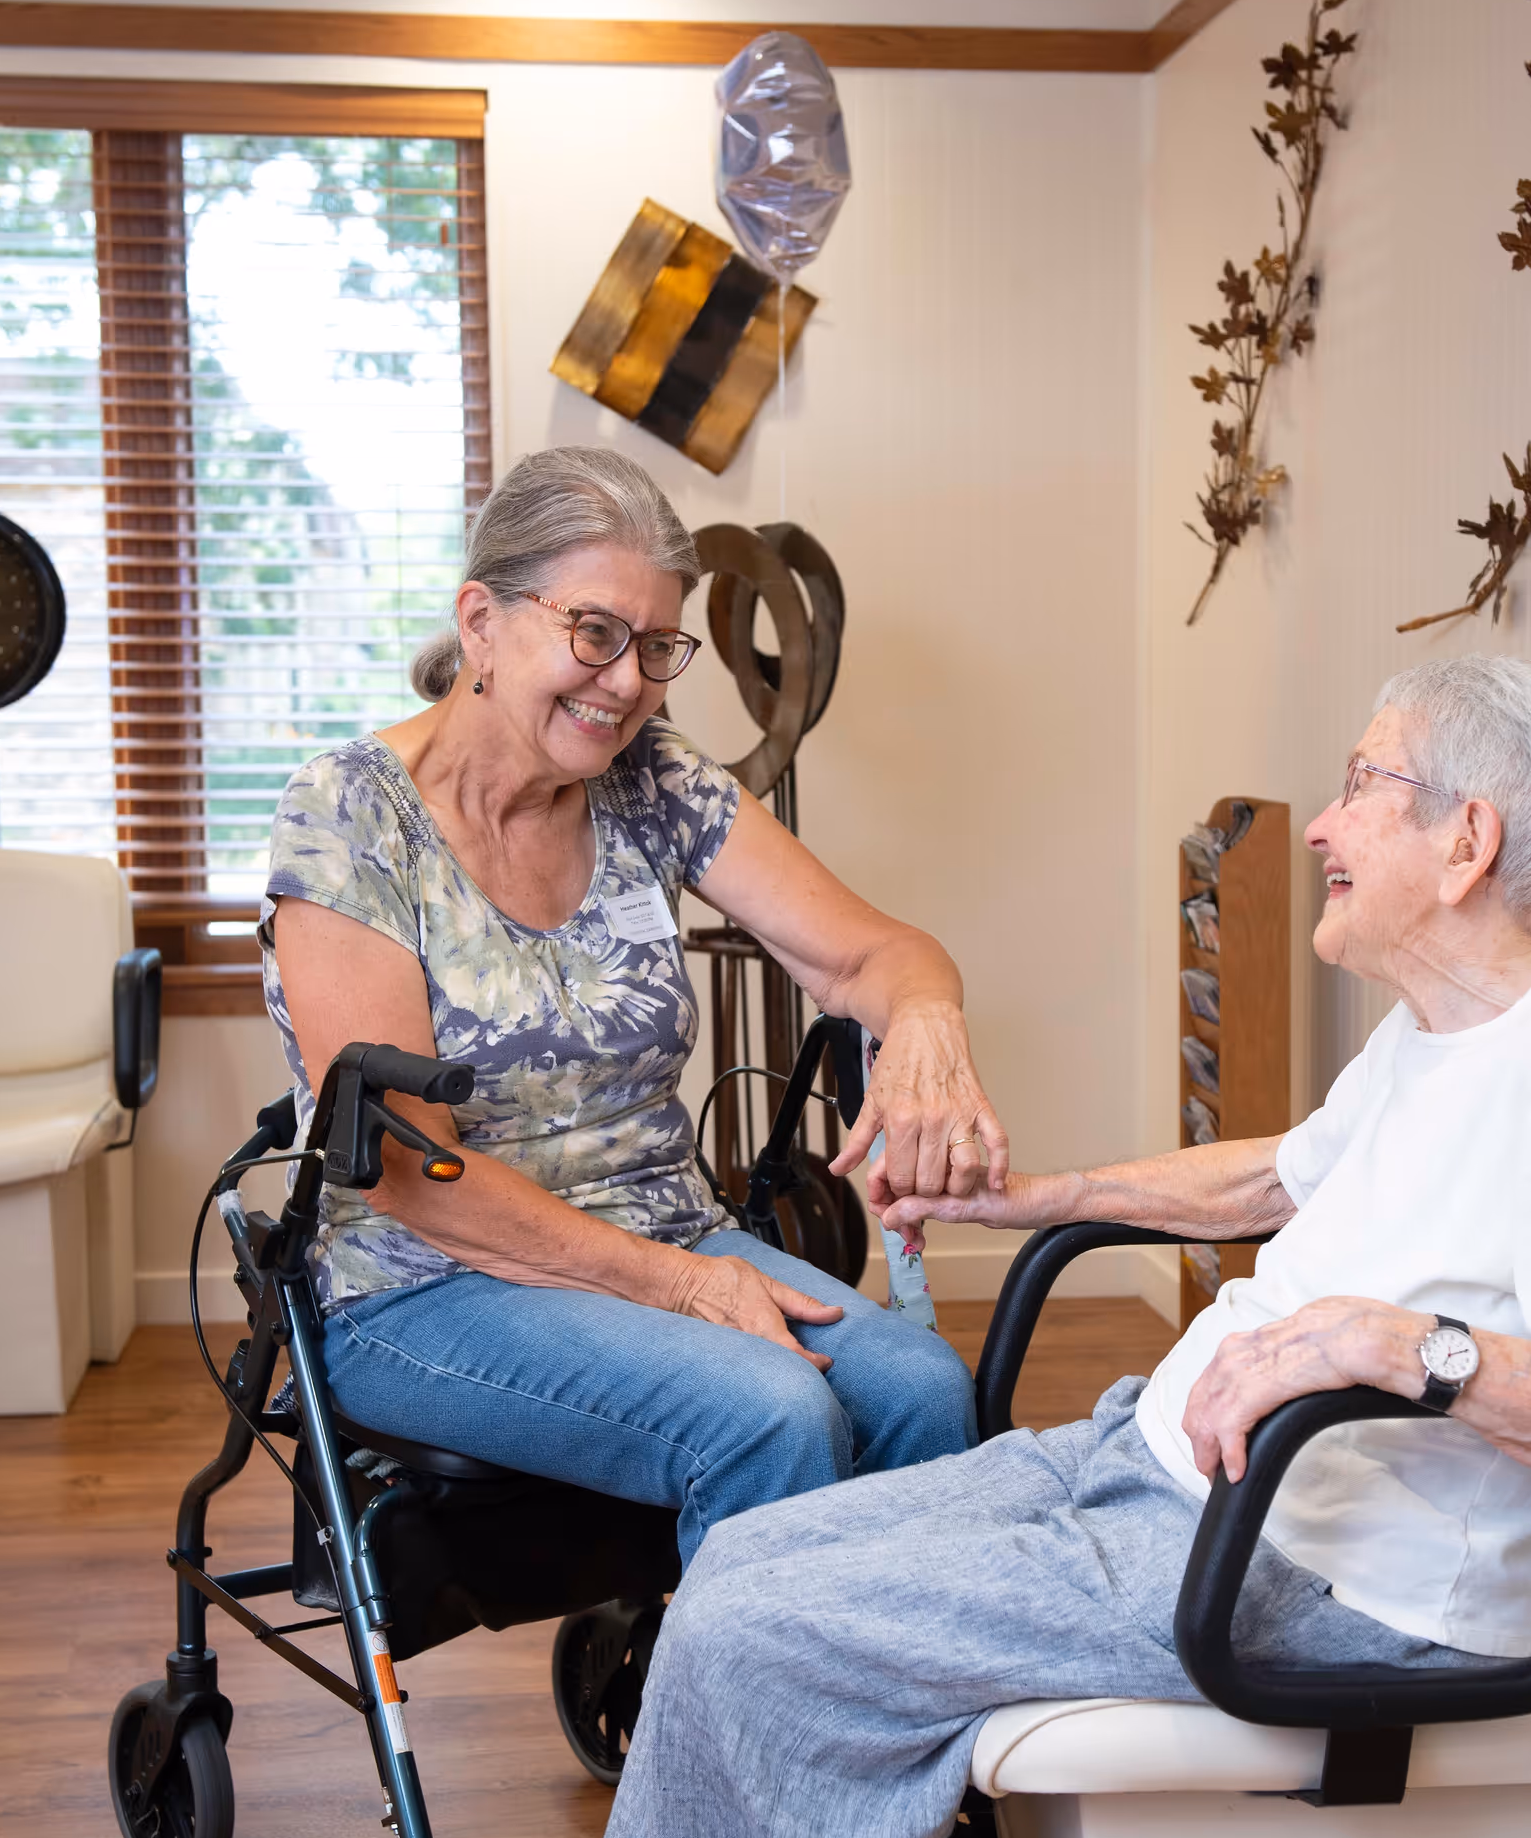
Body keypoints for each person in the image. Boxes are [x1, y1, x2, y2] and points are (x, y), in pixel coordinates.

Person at [338, 657, 1531, 1838]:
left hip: (1314, 1582)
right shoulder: (1451, 1034)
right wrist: (1037, 1194)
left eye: (1363, 786)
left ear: (1470, 837)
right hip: (1170, 1483)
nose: (1330, 823)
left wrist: (1397, 1347)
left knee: (761, 1644)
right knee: (739, 1572)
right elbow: (1273, 1176)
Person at [263, 445, 1001, 1568]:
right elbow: (413, 1172)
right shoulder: (350, 815)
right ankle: (751, 1739)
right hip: (422, 1287)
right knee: (771, 1412)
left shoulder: (650, 775)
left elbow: (875, 957)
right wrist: (687, 1285)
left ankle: (886, 1719)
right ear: (482, 622)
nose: (627, 682)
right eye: (595, 633)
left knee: (923, 1389)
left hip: (664, 1232)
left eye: (658, 648)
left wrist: (929, 1032)